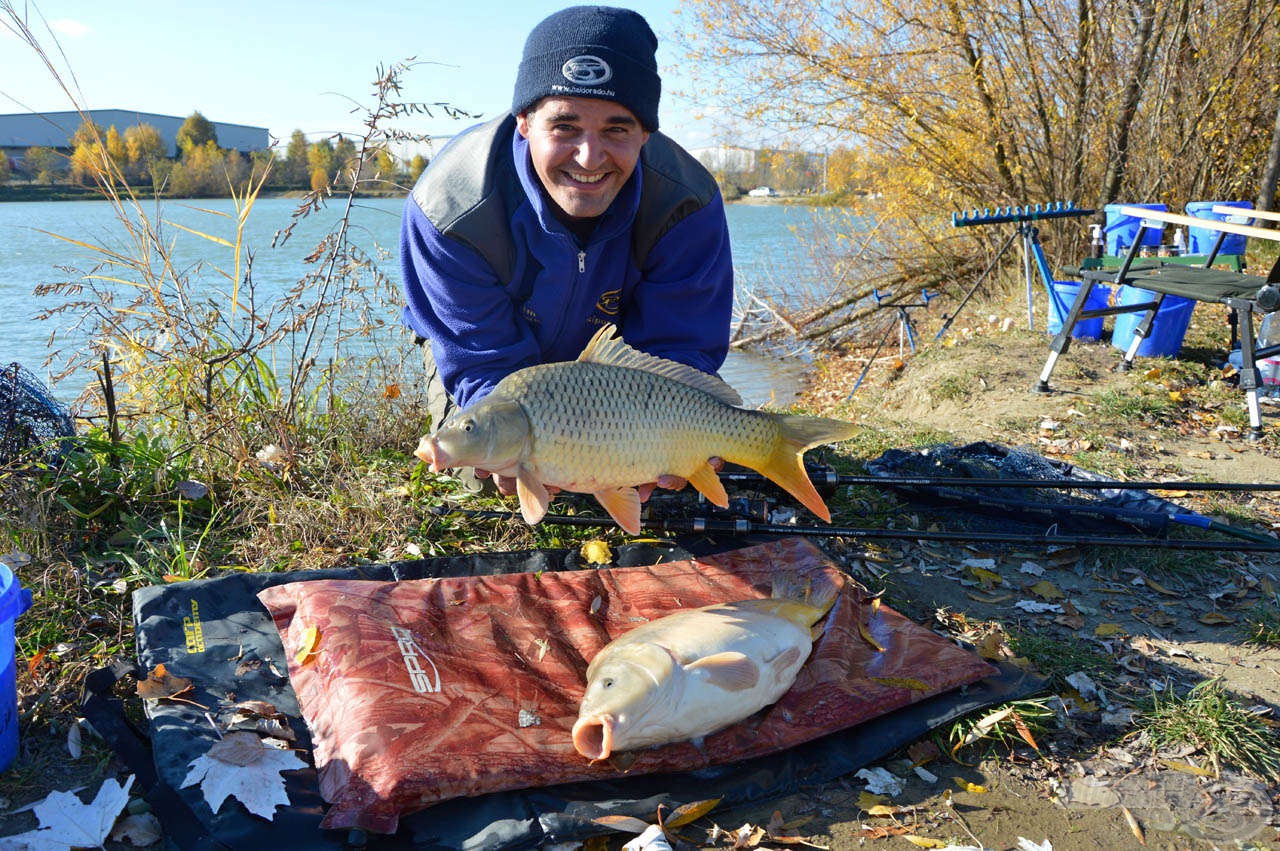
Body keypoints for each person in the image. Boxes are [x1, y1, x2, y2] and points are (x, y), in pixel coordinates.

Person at [401, 5, 734, 495]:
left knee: (662, 474)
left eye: (617, 130)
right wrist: (540, 450)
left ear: (646, 133)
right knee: (485, 467)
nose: (588, 157)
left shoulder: (686, 203)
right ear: (524, 121)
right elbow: (480, 358)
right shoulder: (449, 208)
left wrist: (657, 445)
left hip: (622, 378)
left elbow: (678, 350)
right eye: (564, 126)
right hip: (506, 376)